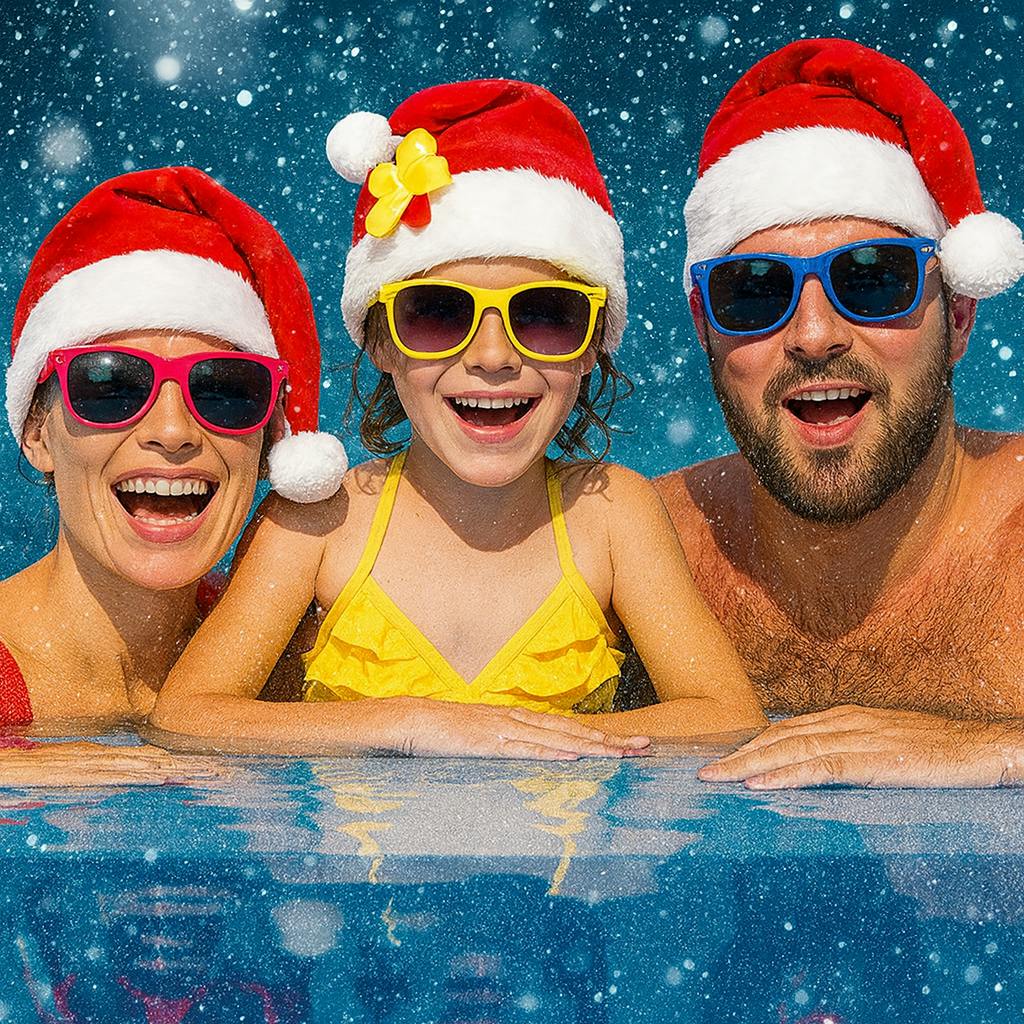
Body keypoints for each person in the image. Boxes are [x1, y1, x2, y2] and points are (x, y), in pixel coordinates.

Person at [150, 79, 766, 759]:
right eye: (439, 314)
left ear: (592, 346)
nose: (495, 357)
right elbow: (186, 718)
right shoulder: (322, 523)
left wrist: (511, 740)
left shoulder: (613, 513)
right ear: (379, 341)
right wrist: (413, 724)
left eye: (545, 316)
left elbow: (726, 717)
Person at [651, 38, 1024, 788]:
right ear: (704, 326)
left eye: (871, 281)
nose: (815, 337)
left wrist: (999, 752)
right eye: (755, 290)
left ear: (958, 315)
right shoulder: (642, 554)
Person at [0, 166, 347, 783]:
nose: (173, 430)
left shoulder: (296, 659)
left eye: (224, 390)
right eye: (110, 385)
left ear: (269, 440)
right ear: (36, 436)